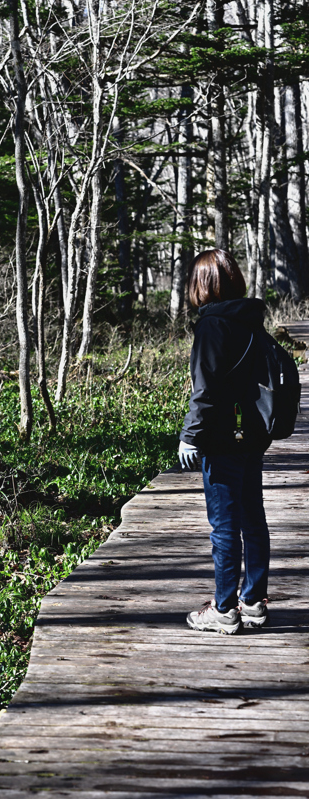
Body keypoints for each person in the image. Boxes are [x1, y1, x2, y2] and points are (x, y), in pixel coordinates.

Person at [178, 248, 271, 635]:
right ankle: (252, 602)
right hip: (252, 435)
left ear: (203, 285)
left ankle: (224, 610)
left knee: (224, 527)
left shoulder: (212, 326)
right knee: (252, 518)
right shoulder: (252, 320)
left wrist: (189, 436)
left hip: (220, 440)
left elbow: (206, 390)